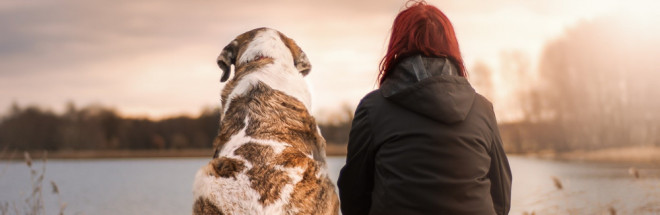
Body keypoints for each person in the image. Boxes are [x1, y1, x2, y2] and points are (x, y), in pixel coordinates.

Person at [337, 1, 512, 215]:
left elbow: (354, 194)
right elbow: (502, 195)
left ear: (397, 45)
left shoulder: (373, 109)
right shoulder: (483, 109)